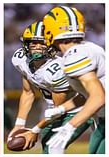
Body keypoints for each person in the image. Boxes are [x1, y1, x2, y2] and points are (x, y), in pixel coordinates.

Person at [8, 21, 91, 154]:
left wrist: (34, 130)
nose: (37, 47)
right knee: (49, 145)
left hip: (78, 108)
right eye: (33, 43)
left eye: (42, 43)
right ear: (25, 44)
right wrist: (19, 124)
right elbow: (28, 92)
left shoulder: (57, 70)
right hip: (57, 111)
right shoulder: (21, 60)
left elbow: (59, 110)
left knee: (52, 146)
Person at [43, 6, 105, 154]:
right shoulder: (88, 47)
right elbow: (91, 93)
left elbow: (99, 97)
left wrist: (70, 126)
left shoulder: (74, 56)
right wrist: (61, 109)